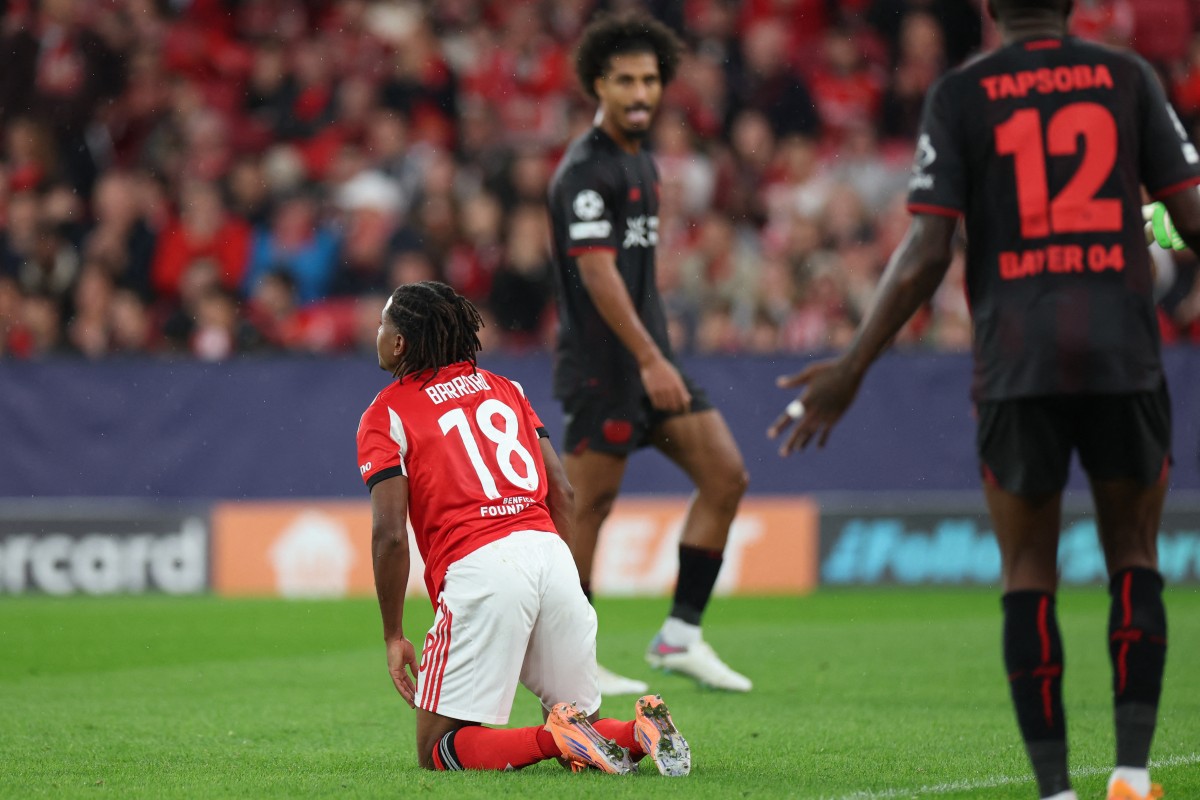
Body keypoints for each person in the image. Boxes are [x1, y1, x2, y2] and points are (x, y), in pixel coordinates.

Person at [768, 2, 1200, 799]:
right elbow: (1192, 217)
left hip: (1018, 356)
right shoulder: (1129, 76)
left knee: (1027, 567)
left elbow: (928, 248)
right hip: (1122, 350)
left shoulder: (964, 94)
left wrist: (856, 364)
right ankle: (1134, 774)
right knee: (1134, 556)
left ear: (989, 10)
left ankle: (1056, 791)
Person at [356, 280, 690, 776]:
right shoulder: (507, 388)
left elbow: (389, 534)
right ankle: (640, 731)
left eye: (384, 323)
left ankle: (552, 737)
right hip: (549, 553)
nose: (377, 332)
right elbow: (565, 493)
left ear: (400, 342)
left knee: (436, 750)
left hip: (481, 566)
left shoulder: (386, 412)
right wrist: (563, 579)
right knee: (591, 732)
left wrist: (392, 634)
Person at [546, 12, 752, 695]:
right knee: (586, 511)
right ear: (597, 84)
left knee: (725, 475)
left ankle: (680, 636)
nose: (641, 91)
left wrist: (657, 356)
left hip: (650, 361)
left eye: (651, 79)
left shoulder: (641, 160)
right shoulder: (582, 173)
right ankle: (573, 662)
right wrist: (649, 358)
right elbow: (599, 274)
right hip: (607, 369)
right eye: (626, 79)